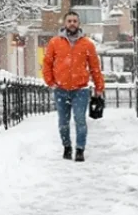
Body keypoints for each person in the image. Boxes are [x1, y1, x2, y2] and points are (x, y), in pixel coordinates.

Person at [41, 11, 105, 162]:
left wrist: (99, 86)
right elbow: (47, 63)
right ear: (64, 23)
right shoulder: (55, 43)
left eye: (75, 21)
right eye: (69, 21)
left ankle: (80, 149)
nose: (72, 23)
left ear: (79, 24)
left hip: (80, 89)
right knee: (63, 121)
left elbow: (95, 67)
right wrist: (50, 81)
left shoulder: (87, 44)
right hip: (60, 89)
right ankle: (67, 147)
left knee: (80, 120)